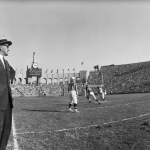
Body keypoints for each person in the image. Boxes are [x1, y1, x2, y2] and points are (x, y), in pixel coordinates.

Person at [0, 37, 14, 150]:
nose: (8, 48)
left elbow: (12, 72)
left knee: (6, 128)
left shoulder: (6, 62)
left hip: (7, 101)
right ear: (0, 47)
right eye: (6, 46)